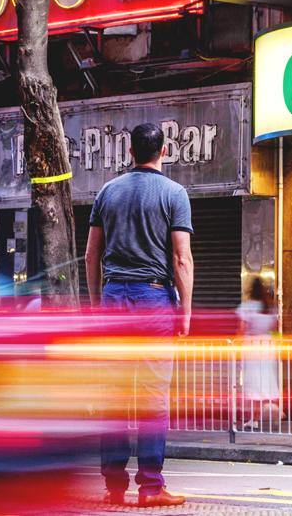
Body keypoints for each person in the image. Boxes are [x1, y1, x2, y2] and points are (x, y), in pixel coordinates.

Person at [85, 123, 193, 507]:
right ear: (164, 150)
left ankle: (113, 484)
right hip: (153, 299)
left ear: (130, 151)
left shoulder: (107, 192)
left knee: (114, 394)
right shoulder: (174, 194)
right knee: (152, 397)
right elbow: (181, 258)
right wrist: (186, 311)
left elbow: (91, 254)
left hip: (114, 297)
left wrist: (97, 303)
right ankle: (150, 487)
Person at [236, 277, 282, 430]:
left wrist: (236, 343)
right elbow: (275, 327)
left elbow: (242, 329)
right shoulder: (269, 307)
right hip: (267, 345)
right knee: (267, 379)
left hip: (253, 346)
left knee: (253, 383)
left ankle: (254, 418)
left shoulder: (247, 306)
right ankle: (273, 407)